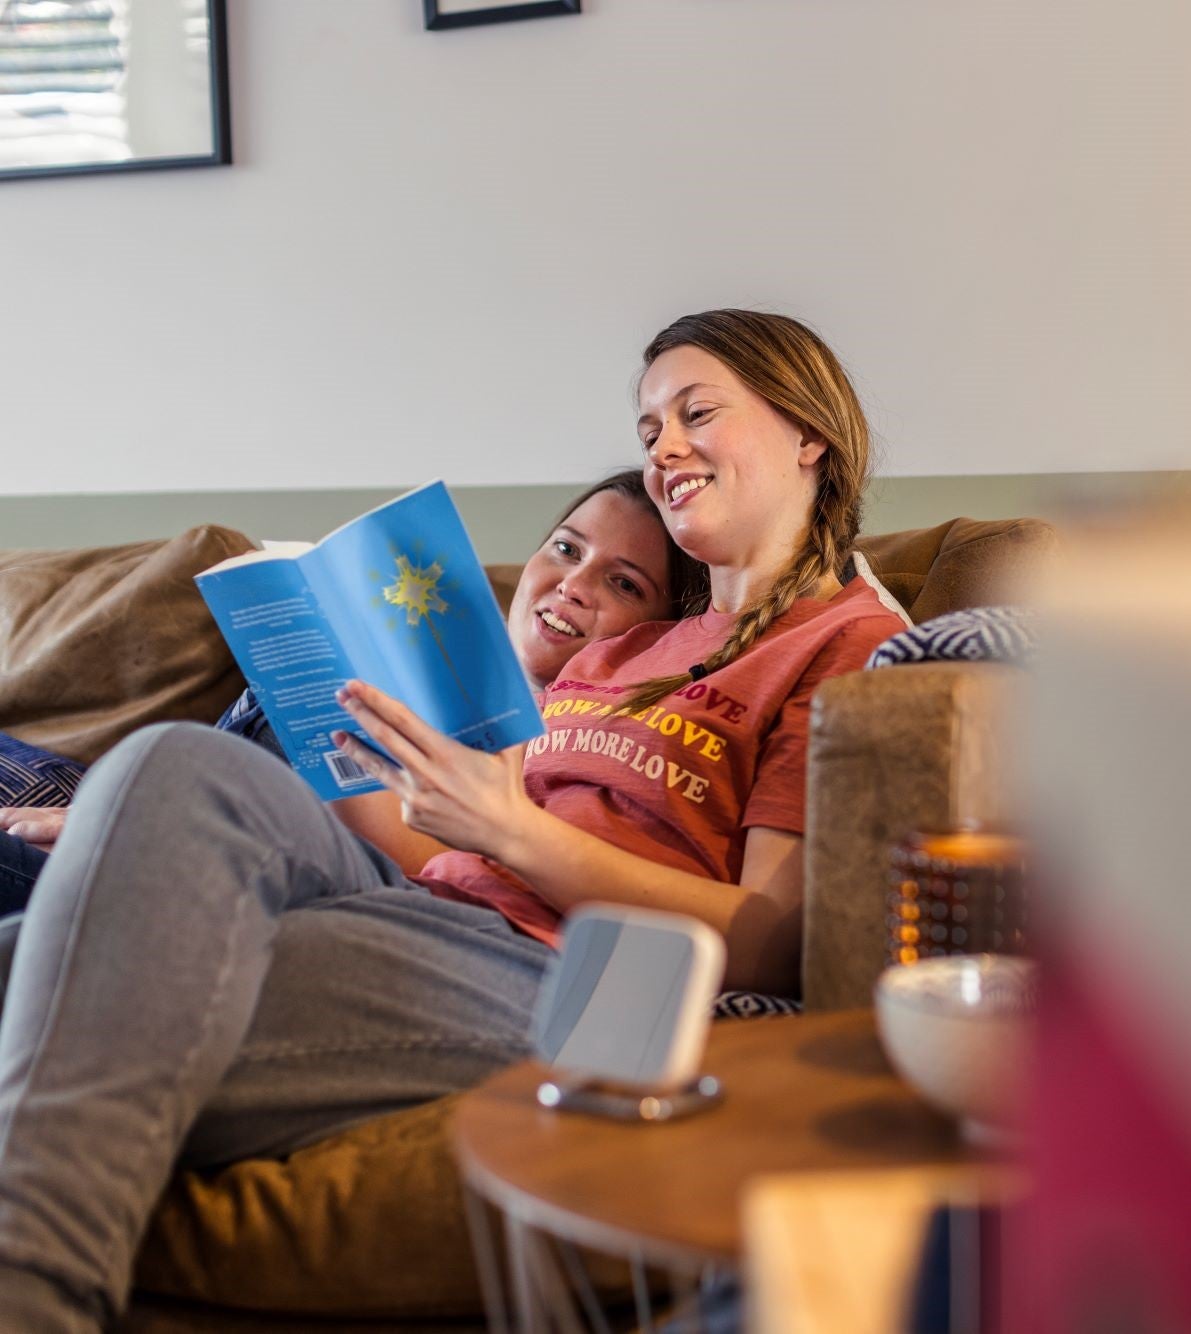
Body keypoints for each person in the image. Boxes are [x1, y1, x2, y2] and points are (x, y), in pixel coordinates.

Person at [0, 309, 906, 1330]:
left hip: (559, 969)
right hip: (424, 904)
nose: (665, 448)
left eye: (697, 413)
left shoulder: (849, 646)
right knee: (175, 760)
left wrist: (509, 827)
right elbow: (467, 845)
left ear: (808, 434)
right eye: (650, 426)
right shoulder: (620, 653)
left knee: (57, 995)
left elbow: (776, 942)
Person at [0, 468, 706, 905]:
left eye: (622, 582)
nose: (573, 585)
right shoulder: (422, 642)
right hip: (107, 797)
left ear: (661, 630)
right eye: (565, 548)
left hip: (197, 863)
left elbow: (442, 872)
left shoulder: (582, 748)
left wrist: (127, 828)